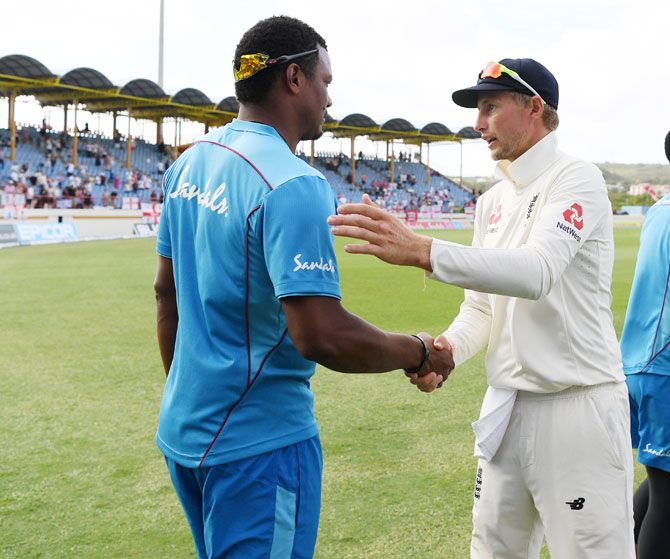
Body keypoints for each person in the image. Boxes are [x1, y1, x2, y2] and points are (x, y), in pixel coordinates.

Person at [153, 16, 453, 559]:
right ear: (294, 79)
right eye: (326, 83)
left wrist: (196, 397)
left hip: (187, 431)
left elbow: (163, 293)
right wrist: (420, 350)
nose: (329, 100)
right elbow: (322, 335)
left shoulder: (190, 162)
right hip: (258, 446)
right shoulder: (292, 182)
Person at [328, 58, 634, 558]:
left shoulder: (576, 180)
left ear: (534, 107)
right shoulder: (491, 202)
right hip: (508, 409)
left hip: (578, 410)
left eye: (490, 107)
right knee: (491, 551)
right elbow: (482, 309)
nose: (478, 123)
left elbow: (537, 272)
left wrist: (425, 251)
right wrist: (446, 350)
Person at [620, 130, 670, 559]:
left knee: (660, 482)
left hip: (641, 361)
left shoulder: (659, 210)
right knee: (668, 498)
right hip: (664, 367)